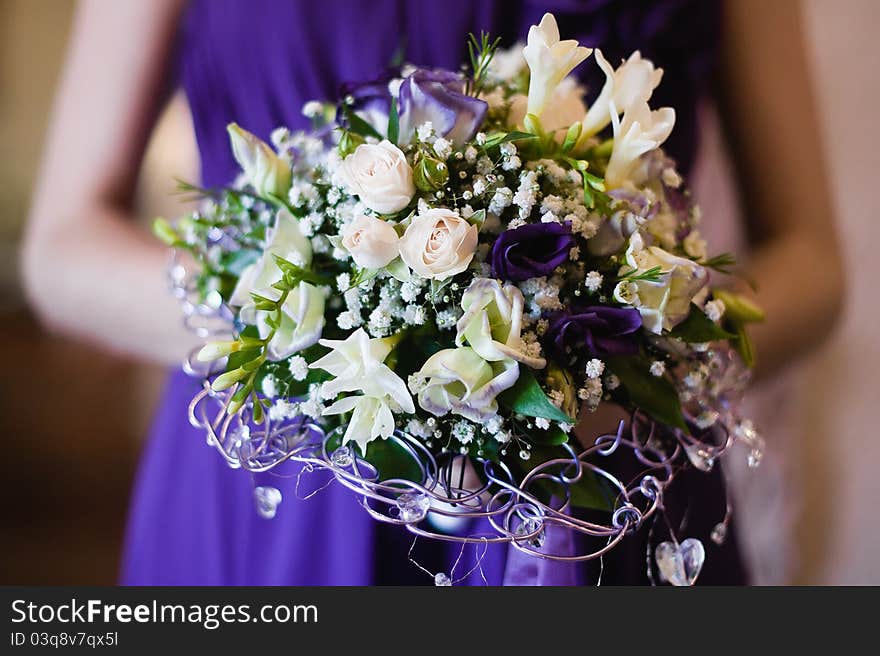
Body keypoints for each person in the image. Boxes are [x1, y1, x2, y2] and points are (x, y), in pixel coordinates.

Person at [22, 0, 842, 584]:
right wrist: (313, 336)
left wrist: (626, 370)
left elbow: (813, 262)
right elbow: (62, 245)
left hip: (597, 490)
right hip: (276, 508)